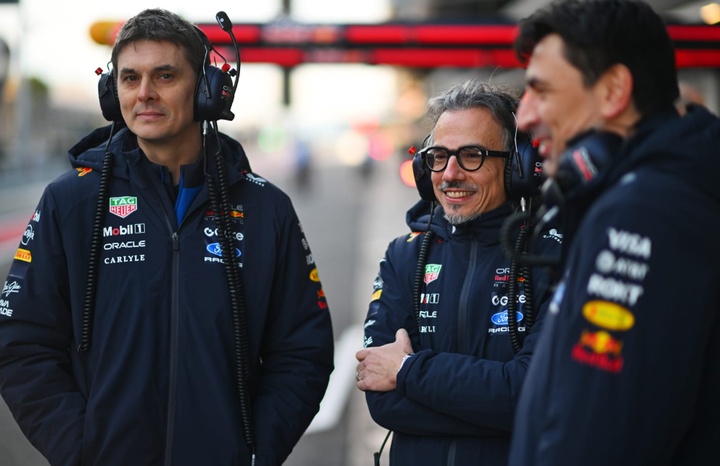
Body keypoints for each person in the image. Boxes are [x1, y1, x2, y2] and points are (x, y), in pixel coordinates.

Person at [0, 9, 334, 466]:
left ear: (207, 90)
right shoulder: (70, 201)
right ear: (112, 92)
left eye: (165, 75)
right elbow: (21, 343)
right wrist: (80, 450)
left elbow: (303, 351)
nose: (144, 93)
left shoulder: (266, 209)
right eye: (129, 78)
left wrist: (257, 449)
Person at [508, 0, 720, 464]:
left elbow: (597, 433)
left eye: (541, 90)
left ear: (613, 90)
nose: (524, 116)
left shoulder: (644, 210)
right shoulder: (655, 193)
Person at [354, 79, 561, 465]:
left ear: (516, 166)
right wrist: (497, 407)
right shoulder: (403, 256)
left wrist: (407, 370)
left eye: (471, 155)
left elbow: (537, 395)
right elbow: (383, 401)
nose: (449, 174)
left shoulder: (553, 256)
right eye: (438, 156)